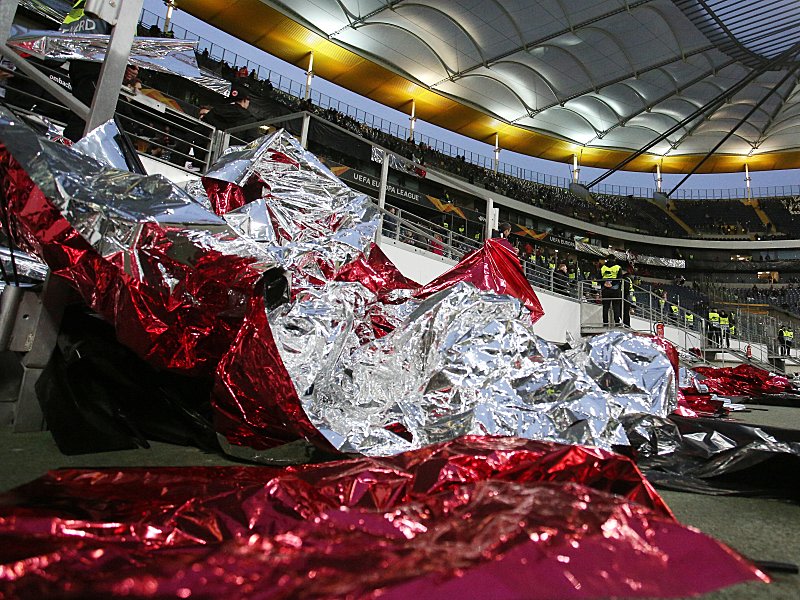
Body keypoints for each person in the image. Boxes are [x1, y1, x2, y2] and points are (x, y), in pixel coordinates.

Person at [60, 1, 112, 141]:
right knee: (85, 119)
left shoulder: (82, 4)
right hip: (96, 63)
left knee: (80, 114)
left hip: (80, 62)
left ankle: (70, 145)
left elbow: (67, 28)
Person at [600, 254, 622, 326]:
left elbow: (598, 277)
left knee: (605, 306)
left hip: (605, 289)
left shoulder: (603, 267)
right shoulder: (618, 267)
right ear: (614, 259)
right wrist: (612, 284)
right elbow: (619, 278)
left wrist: (605, 283)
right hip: (615, 289)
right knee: (616, 306)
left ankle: (605, 323)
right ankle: (617, 322)